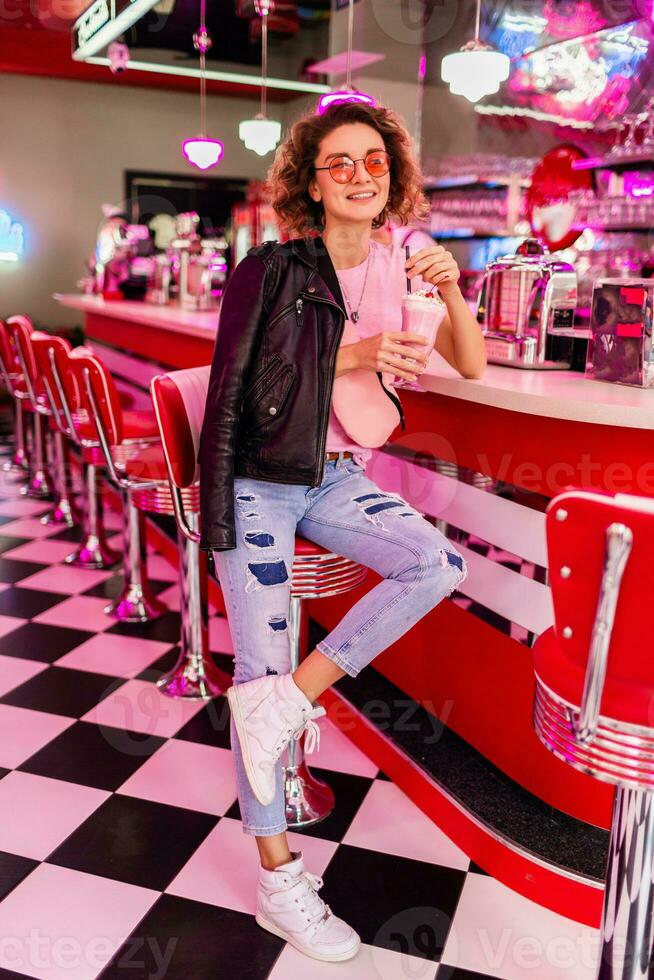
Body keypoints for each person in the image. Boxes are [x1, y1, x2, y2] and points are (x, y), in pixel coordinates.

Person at [198, 100, 486, 964]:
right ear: (310, 184)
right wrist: (353, 357)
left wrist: (451, 286)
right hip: (257, 483)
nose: (362, 176)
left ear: (391, 175)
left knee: (435, 563)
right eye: (340, 163)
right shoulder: (274, 267)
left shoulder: (404, 265)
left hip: (334, 478)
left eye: (375, 161)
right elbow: (240, 387)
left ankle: (291, 697)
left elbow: (467, 363)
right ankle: (279, 882)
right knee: (258, 676)